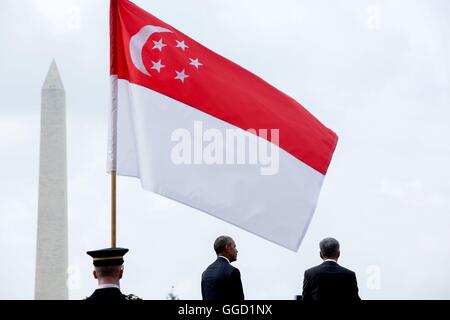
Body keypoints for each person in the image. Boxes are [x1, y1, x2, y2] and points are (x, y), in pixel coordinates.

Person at [201, 236, 244, 300]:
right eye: (234, 246)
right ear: (227, 247)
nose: (236, 250)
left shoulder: (205, 274)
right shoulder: (232, 271)